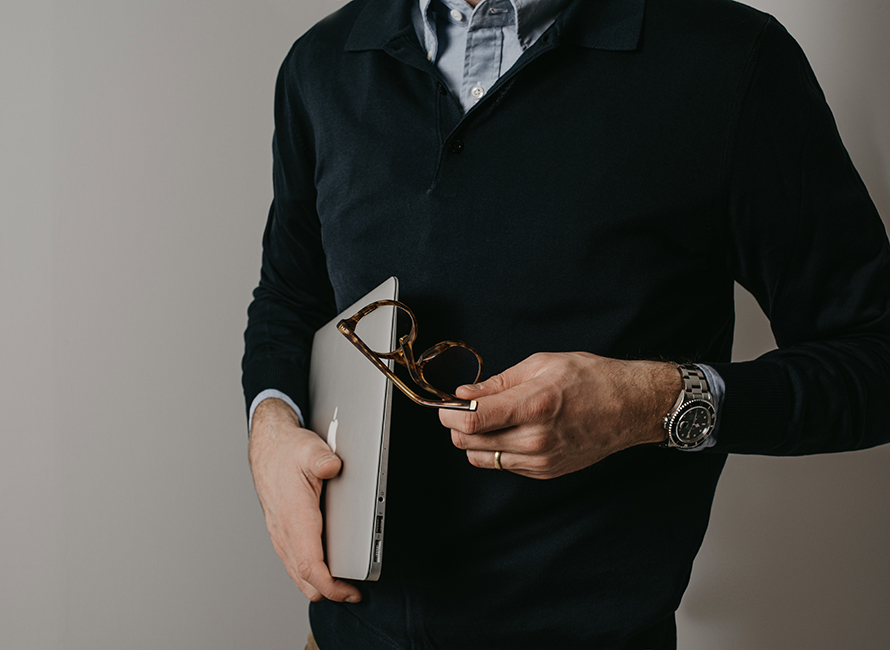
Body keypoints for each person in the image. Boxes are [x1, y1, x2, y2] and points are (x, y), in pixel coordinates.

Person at [242, 0, 890, 647]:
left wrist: (653, 404)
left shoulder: (732, 59)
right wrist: (270, 423)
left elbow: (874, 356)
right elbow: (291, 297)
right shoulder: (320, 62)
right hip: (338, 635)